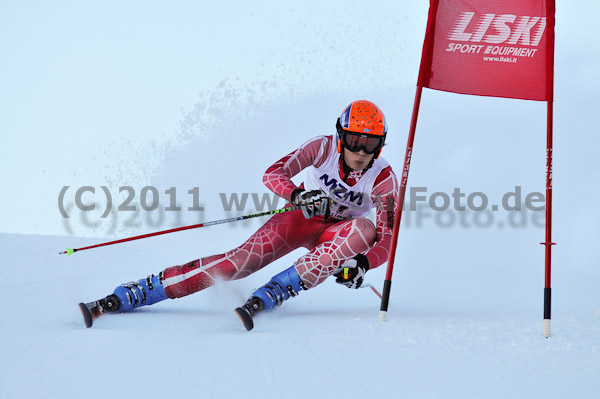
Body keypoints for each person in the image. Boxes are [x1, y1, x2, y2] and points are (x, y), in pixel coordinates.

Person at [79, 100, 399, 331]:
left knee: (364, 230)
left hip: (337, 236)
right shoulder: (322, 148)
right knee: (237, 265)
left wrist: (362, 264)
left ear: (380, 147)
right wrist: (298, 195)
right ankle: (139, 291)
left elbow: (386, 240)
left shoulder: (383, 179)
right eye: (355, 140)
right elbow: (273, 173)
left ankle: (279, 289)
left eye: (370, 144)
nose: (361, 151)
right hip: (299, 219)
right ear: (341, 136)